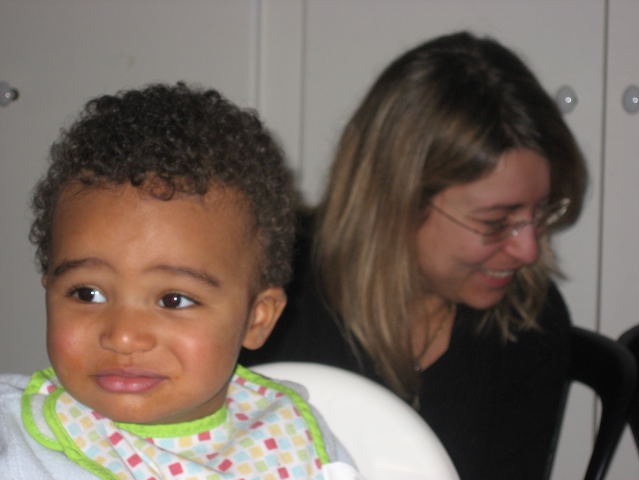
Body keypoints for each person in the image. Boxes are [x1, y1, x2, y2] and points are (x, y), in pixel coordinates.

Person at [241, 31, 587, 479]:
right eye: (496, 222)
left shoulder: (528, 320)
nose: (528, 249)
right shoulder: (267, 288)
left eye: (540, 212)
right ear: (396, 202)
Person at [0, 83, 359, 480]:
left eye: (173, 300)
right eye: (88, 293)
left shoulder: (292, 443)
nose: (123, 336)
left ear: (257, 319)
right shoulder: (13, 443)